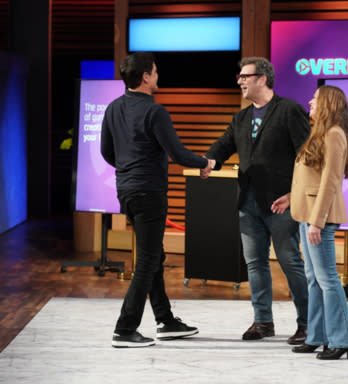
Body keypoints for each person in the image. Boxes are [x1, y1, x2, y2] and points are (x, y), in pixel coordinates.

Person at [101, 52, 215, 348]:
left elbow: (107, 152)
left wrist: (129, 167)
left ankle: (166, 320)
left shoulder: (113, 108)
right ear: (145, 77)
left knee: (154, 257)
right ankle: (125, 329)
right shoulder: (155, 111)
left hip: (125, 191)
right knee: (148, 261)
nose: (158, 76)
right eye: (155, 72)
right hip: (148, 192)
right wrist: (205, 163)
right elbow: (177, 153)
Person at [202, 57, 310, 344]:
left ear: (262, 78)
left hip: (281, 203)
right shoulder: (241, 118)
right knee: (255, 264)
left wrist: (294, 194)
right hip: (248, 204)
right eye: (239, 76)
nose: (240, 81)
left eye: (244, 76)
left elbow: (308, 158)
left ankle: (309, 323)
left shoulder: (289, 110)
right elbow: (223, 145)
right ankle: (263, 322)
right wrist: (209, 160)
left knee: (290, 262)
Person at [286, 85, 348, 359]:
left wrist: (317, 222)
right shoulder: (320, 133)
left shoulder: (335, 134)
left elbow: (330, 182)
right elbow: (310, 178)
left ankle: (344, 340)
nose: (310, 102)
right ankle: (317, 336)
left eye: (315, 99)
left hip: (320, 218)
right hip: (306, 214)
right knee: (313, 278)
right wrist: (289, 198)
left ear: (327, 104)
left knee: (327, 279)